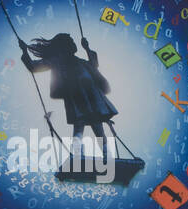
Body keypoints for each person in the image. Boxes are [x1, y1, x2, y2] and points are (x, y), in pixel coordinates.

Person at [18, 32, 118, 161]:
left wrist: (87, 48)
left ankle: (107, 156)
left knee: (98, 128)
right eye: (71, 41)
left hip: (92, 99)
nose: (73, 43)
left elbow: (94, 64)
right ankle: (78, 155)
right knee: (79, 126)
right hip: (77, 99)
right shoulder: (56, 62)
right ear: (64, 45)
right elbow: (34, 67)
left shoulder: (81, 62)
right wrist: (24, 51)